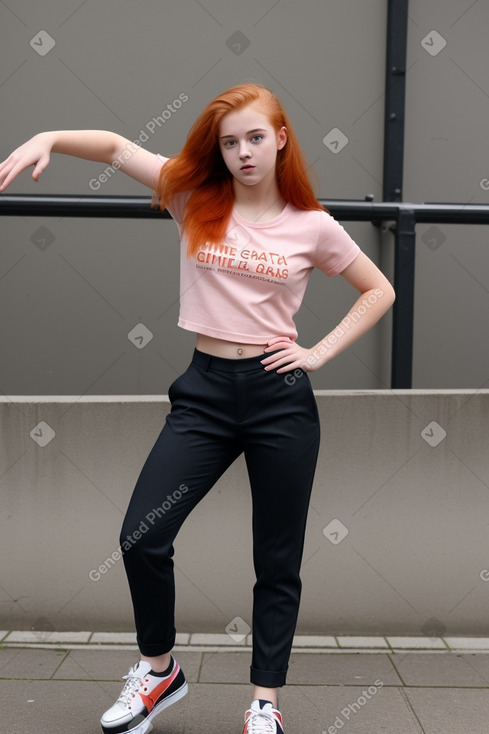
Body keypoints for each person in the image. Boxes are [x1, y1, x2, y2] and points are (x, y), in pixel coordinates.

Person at [0, 82, 395, 734]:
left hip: (279, 401)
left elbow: (377, 289)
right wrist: (48, 138)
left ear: (281, 139)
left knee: (276, 559)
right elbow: (117, 148)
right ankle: (159, 672)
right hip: (205, 394)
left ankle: (264, 702)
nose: (242, 152)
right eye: (230, 141)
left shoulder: (312, 226)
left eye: (254, 138)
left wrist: (318, 353)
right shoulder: (193, 197)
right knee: (141, 535)